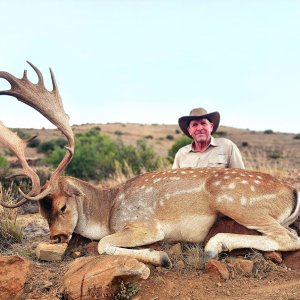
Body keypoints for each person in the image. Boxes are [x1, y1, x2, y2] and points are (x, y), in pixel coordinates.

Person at [172, 107, 245, 169]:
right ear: (189, 130)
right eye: (195, 125)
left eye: (203, 123)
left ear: (211, 127)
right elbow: (174, 182)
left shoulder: (227, 146)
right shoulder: (181, 153)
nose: (200, 128)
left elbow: (240, 177)